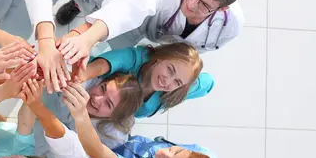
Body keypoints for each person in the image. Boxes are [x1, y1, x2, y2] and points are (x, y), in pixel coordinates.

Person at [59, 0, 248, 69]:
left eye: (204, 5)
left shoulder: (231, 27)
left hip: (170, 45)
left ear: (222, 9)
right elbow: (131, 6)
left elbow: (198, 50)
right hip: (144, 22)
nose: (191, 3)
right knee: (109, 24)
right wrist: (86, 39)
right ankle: (76, 4)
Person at [61, 81, 218, 158]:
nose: (163, 153)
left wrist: (80, 113)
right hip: (126, 145)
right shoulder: (203, 156)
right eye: (175, 151)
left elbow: (99, 153)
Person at [78, 43, 214, 118]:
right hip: (93, 98)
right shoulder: (136, 59)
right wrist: (80, 76)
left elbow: (208, 83)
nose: (167, 82)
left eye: (177, 82)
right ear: (160, 57)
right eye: (170, 70)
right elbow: (104, 64)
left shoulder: (177, 90)